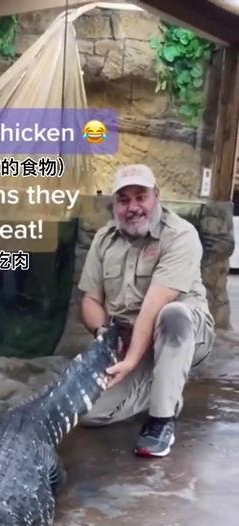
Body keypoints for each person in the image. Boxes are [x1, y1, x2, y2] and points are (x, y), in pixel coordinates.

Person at [78, 163, 215, 457]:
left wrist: (129, 362)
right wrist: (104, 334)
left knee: (173, 315)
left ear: (156, 196)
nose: (133, 207)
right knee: (88, 413)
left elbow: (155, 306)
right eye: (124, 199)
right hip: (130, 338)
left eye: (141, 197)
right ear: (114, 204)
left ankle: (161, 420)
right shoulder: (104, 239)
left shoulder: (180, 235)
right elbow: (90, 300)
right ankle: (164, 385)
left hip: (182, 332)